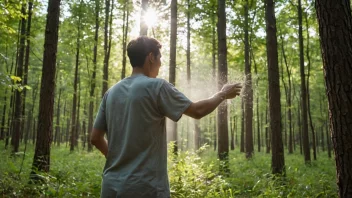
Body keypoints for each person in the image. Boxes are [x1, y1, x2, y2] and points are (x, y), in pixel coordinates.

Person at [91, 36, 242, 198]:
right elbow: (197, 111)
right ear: (150, 57)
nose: (160, 63)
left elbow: (95, 138)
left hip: (111, 186)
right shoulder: (157, 86)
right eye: (159, 58)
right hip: (145, 188)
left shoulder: (111, 93)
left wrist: (117, 160)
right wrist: (222, 94)